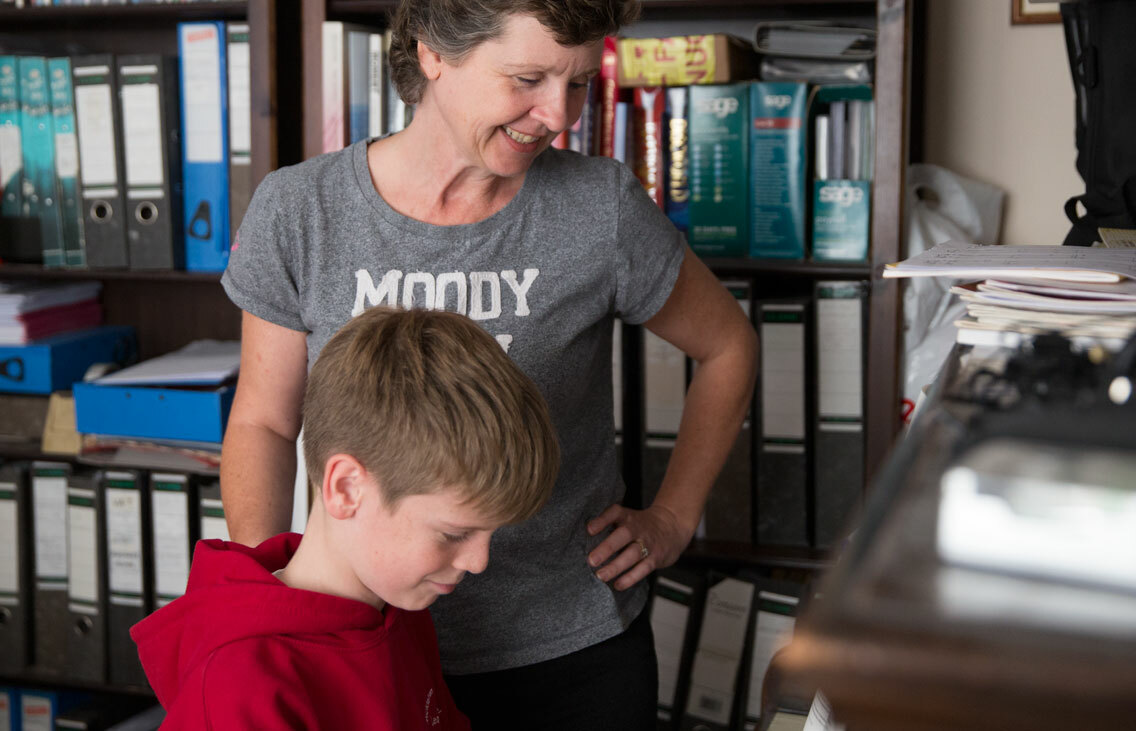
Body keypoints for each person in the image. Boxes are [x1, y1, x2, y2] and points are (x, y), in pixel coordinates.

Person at [218, 0, 759, 727]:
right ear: (433, 53)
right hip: (364, 645)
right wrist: (276, 613)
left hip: (570, 653)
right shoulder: (302, 210)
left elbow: (728, 345)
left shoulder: (598, 208)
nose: (557, 114)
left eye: (577, 84)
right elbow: (263, 418)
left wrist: (672, 516)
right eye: (527, 78)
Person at [131, 306, 561, 729]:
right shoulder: (242, 684)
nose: (478, 561)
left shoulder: (398, 605)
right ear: (347, 489)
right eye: (454, 533)